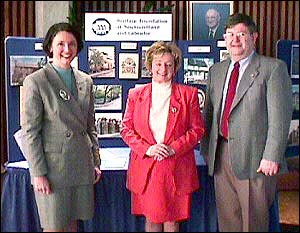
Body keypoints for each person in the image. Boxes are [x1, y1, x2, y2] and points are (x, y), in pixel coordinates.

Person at [201, 13, 293, 232]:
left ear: (254, 37)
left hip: (256, 160)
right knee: (228, 221)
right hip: (221, 156)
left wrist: (272, 156)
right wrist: (208, 150)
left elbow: (280, 117)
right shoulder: (217, 71)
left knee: (254, 223)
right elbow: (210, 114)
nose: (235, 39)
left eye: (241, 34)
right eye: (230, 34)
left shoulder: (273, 69)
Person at [21, 22, 102, 232]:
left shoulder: (86, 81)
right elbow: (30, 132)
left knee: (73, 223)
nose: (67, 50)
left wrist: (95, 161)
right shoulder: (36, 81)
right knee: (54, 226)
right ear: (50, 46)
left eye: (72, 44)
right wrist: (38, 173)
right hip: (53, 170)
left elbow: (90, 126)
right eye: (61, 44)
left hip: (80, 166)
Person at [121, 41, 205, 232]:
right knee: (151, 220)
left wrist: (174, 147)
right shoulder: (136, 94)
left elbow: (197, 129)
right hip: (147, 167)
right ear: (150, 65)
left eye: (168, 64)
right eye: (158, 64)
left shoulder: (188, 95)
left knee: (173, 221)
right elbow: (126, 129)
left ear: (175, 68)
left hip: (176, 166)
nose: (163, 69)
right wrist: (148, 149)